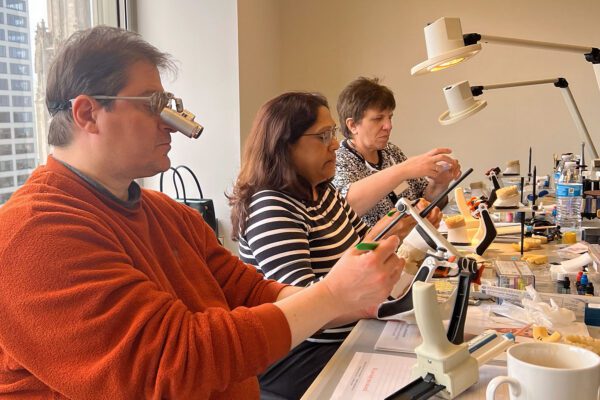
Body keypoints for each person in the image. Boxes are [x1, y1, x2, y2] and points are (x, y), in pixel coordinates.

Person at [0, 27, 405, 400]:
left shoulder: (167, 215)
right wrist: (331, 296)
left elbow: (250, 292)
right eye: (155, 105)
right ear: (87, 114)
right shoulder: (33, 234)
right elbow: (171, 365)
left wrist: (354, 298)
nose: (172, 126)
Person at [228, 92, 441, 399]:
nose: (334, 144)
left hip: (348, 334)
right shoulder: (272, 206)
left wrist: (398, 227)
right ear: (285, 144)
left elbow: (361, 248)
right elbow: (301, 306)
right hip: (303, 353)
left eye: (334, 133)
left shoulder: (322, 192)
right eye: (323, 135)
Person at [333, 76, 462, 228]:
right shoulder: (339, 161)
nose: (388, 126)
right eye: (378, 119)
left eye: (390, 117)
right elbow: (346, 207)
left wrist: (439, 183)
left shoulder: (391, 151)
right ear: (352, 125)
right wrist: (404, 169)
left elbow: (424, 201)